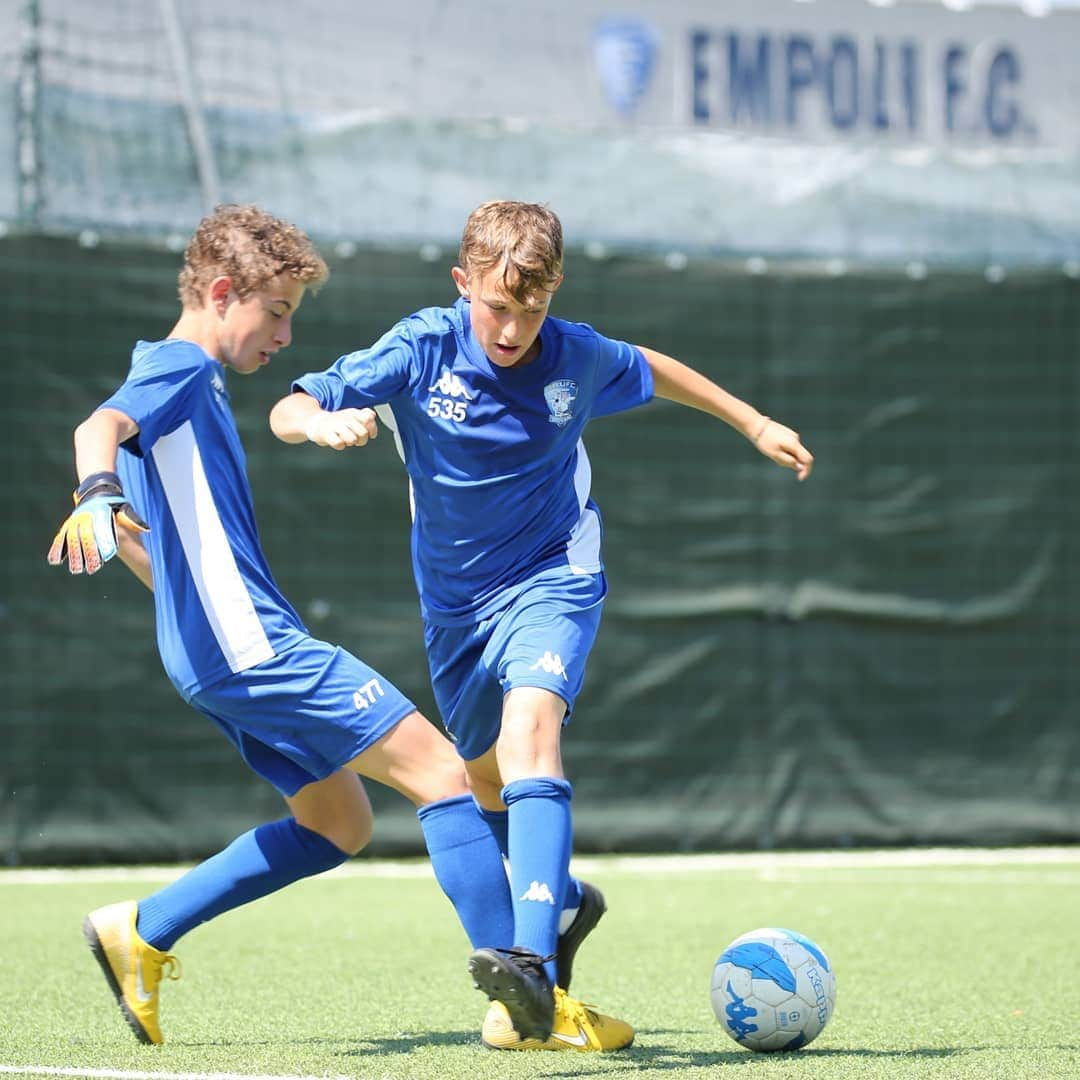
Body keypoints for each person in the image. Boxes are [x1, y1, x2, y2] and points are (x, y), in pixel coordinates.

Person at [46, 204, 607, 1052]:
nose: (281, 337)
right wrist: (95, 488)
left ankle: (142, 929)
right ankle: (532, 994)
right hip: (251, 646)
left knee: (337, 823)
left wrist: (158, 577)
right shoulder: (180, 373)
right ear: (224, 292)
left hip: (209, 651)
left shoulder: (170, 381)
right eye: (275, 314)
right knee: (445, 777)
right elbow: (97, 429)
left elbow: (142, 537)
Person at [269, 200, 815, 1048]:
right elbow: (290, 405)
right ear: (462, 285)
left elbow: (655, 367)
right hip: (453, 610)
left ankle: (528, 965)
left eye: (535, 307)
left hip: (553, 577)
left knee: (532, 733)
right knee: (484, 782)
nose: (516, 327)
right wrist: (319, 422)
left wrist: (755, 421)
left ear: (555, 293)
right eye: (498, 306)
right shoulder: (420, 346)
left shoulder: (574, 355)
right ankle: (557, 907)